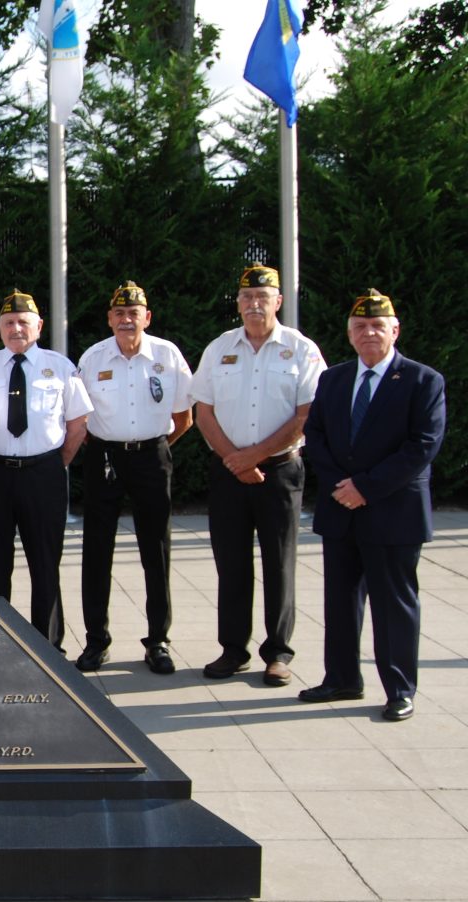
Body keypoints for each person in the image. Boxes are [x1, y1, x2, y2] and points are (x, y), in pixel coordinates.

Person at [299, 290, 446, 721]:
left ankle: (400, 688)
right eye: (360, 327)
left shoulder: (423, 380)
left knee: (393, 604)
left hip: (392, 512)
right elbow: (317, 436)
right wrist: (341, 487)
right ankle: (342, 678)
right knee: (340, 601)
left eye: (378, 326)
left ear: (394, 331)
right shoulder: (335, 379)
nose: (369, 333)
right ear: (349, 334)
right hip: (340, 507)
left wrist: (365, 487)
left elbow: (422, 446)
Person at [190, 263, 326, 686]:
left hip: (281, 472)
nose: (253, 304)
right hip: (229, 472)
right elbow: (203, 411)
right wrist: (235, 459)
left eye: (262, 297)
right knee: (231, 564)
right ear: (238, 302)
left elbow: (306, 414)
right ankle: (233, 649)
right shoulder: (219, 348)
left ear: (278, 302)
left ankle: (278, 653)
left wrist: (255, 456)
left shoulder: (301, 350)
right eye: (247, 297)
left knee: (279, 564)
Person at [75, 281, 194, 673]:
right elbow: (80, 417)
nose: (127, 320)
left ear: (148, 317)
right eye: (120, 314)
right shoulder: (93, 357)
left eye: (134, 313)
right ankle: (96, 641)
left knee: (155, 552)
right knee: (96, 551)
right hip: (104, 458)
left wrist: (152, 445)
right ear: (110, 319)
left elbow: (184, 417)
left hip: (151, 457)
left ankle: (158, 640)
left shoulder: (167, 355)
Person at [0, 290, 91, 651]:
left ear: (39, 326)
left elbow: (78, 423)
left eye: (24, 322)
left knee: (45, 561)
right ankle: (0, 642)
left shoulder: (61, 366)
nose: (16, 328)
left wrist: (57, 463)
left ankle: (48, 643)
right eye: (9, 323)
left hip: (44, 474)